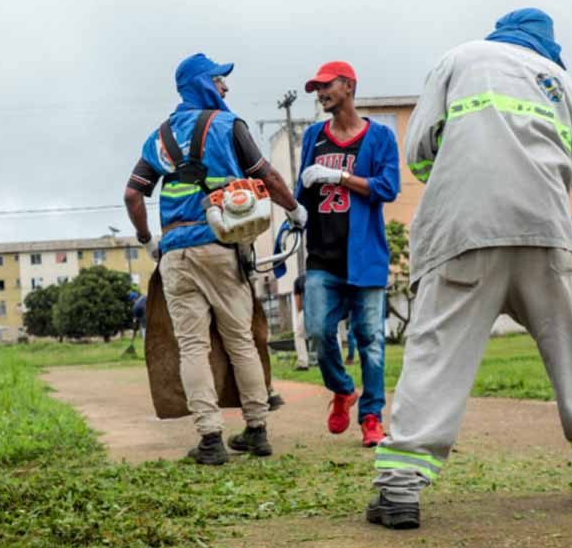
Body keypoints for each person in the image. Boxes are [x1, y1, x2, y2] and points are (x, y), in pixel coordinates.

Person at [366, 8, 572, 530]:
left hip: (463, 233)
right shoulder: (559, 82)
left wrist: (461, 176)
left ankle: (400, 490)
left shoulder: (459, 59)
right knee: (569, 350)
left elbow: (419, 151)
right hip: (544, 232)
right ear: (545, 48)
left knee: (436, 355)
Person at [124, 53, 307, 465]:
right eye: (220, 80)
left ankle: (210, 439)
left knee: (192, 345)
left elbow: (133, 194)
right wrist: (295, 210)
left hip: (175, 252)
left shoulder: (160, 137)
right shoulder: (228, 125)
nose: (226, 87)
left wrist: (147, 240)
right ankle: (257, 429)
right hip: (222, 246)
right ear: (204, 84)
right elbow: (267, 176)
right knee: (240, 339)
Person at [296, 61, 401, 448]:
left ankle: (371, 417)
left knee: (370, 340)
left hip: (366, 256)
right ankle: (342, 389)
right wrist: (294, 213)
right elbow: (303, 189)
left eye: (326, 86)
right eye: (316, 88)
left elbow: (388, 188)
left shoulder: (380, 138)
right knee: (320, 332)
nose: (320, 93)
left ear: (349, 86)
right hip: (322, 256)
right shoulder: (313, 136)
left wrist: (338, 176)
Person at [292, 274, 310, 371]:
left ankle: (303, 363)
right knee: (333, 332)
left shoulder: (300, 279)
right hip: (324, 308)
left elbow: (298, 303)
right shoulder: (326, 274)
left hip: (307, 310)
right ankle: (337, 360)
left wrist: (301, 314)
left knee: (299, 335)